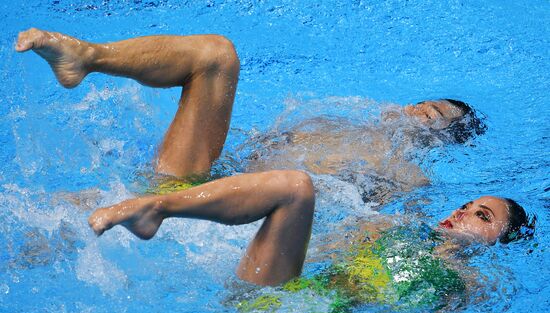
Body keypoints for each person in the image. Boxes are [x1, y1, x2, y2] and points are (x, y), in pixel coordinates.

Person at [15, 28, 533, 289]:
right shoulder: (338, 116)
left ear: (441, 138)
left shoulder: (408, 178)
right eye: (420, 102)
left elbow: (356, 234)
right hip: (199, 184)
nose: (416, 111)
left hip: (236, 224)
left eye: (432, 115)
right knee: (217, 54)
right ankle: (88, 57)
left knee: (292, 186)